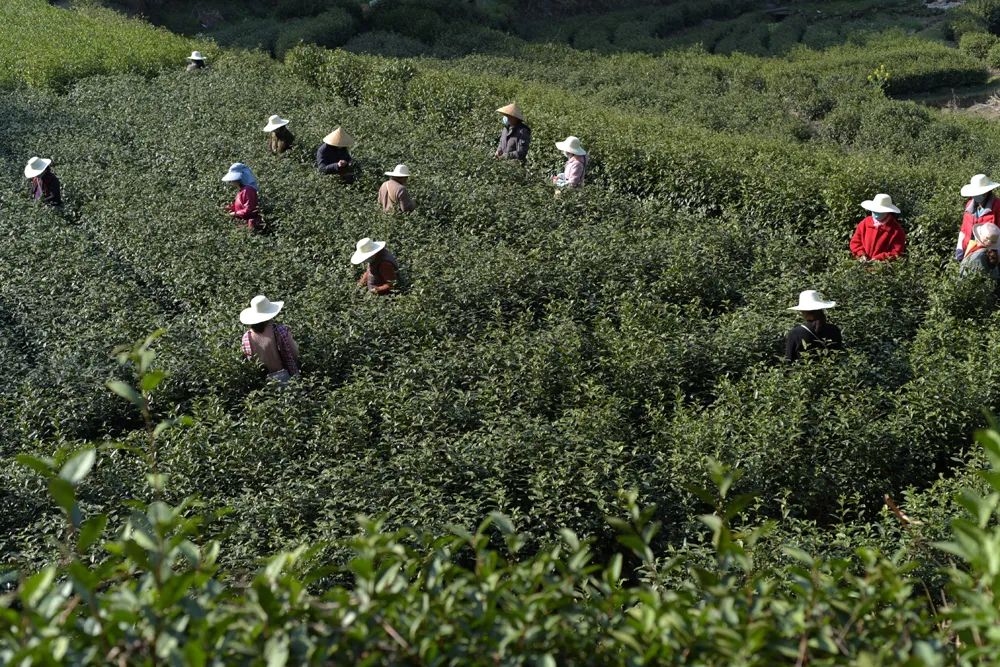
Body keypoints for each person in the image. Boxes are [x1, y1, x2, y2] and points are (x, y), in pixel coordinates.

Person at [239, 295, 300, 384]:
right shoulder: (280, 330)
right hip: (286, 376)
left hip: (263, 381)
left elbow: (249, 361)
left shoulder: (246, 338)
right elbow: (294, 353)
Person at [785, 290, 843, 363]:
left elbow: (788, 360)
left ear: (804, 311)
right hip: (830, 373)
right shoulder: (834, 330)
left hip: (804, 373)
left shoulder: (796, 333)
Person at [955, 174, 1000, 262]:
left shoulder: (997, 206)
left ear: (987, 192)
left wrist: (997, 254)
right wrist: (960, 248)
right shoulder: (969, 205)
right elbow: (964, 229)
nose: (976, 196)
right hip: (969, 249)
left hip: (989, 254)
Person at [849, 193, 906, 262]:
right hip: (862, 266)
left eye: (879, 212)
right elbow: (855, 242)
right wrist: (861, 254)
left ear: (887, 211)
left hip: (883, 269)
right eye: (874, 211)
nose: (876, 214)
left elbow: (897, 252)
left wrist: (880, 259)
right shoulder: (865, 223)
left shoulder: (896, 230)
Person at [222, 162, 262, 232]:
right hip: (243, 225)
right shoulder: (242, 190)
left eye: (232, 180)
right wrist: (228, 208)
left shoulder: (248, 190)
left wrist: (235, 214)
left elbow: (250, 209)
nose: (231, 182)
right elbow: (240, 206)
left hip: (249, 226)